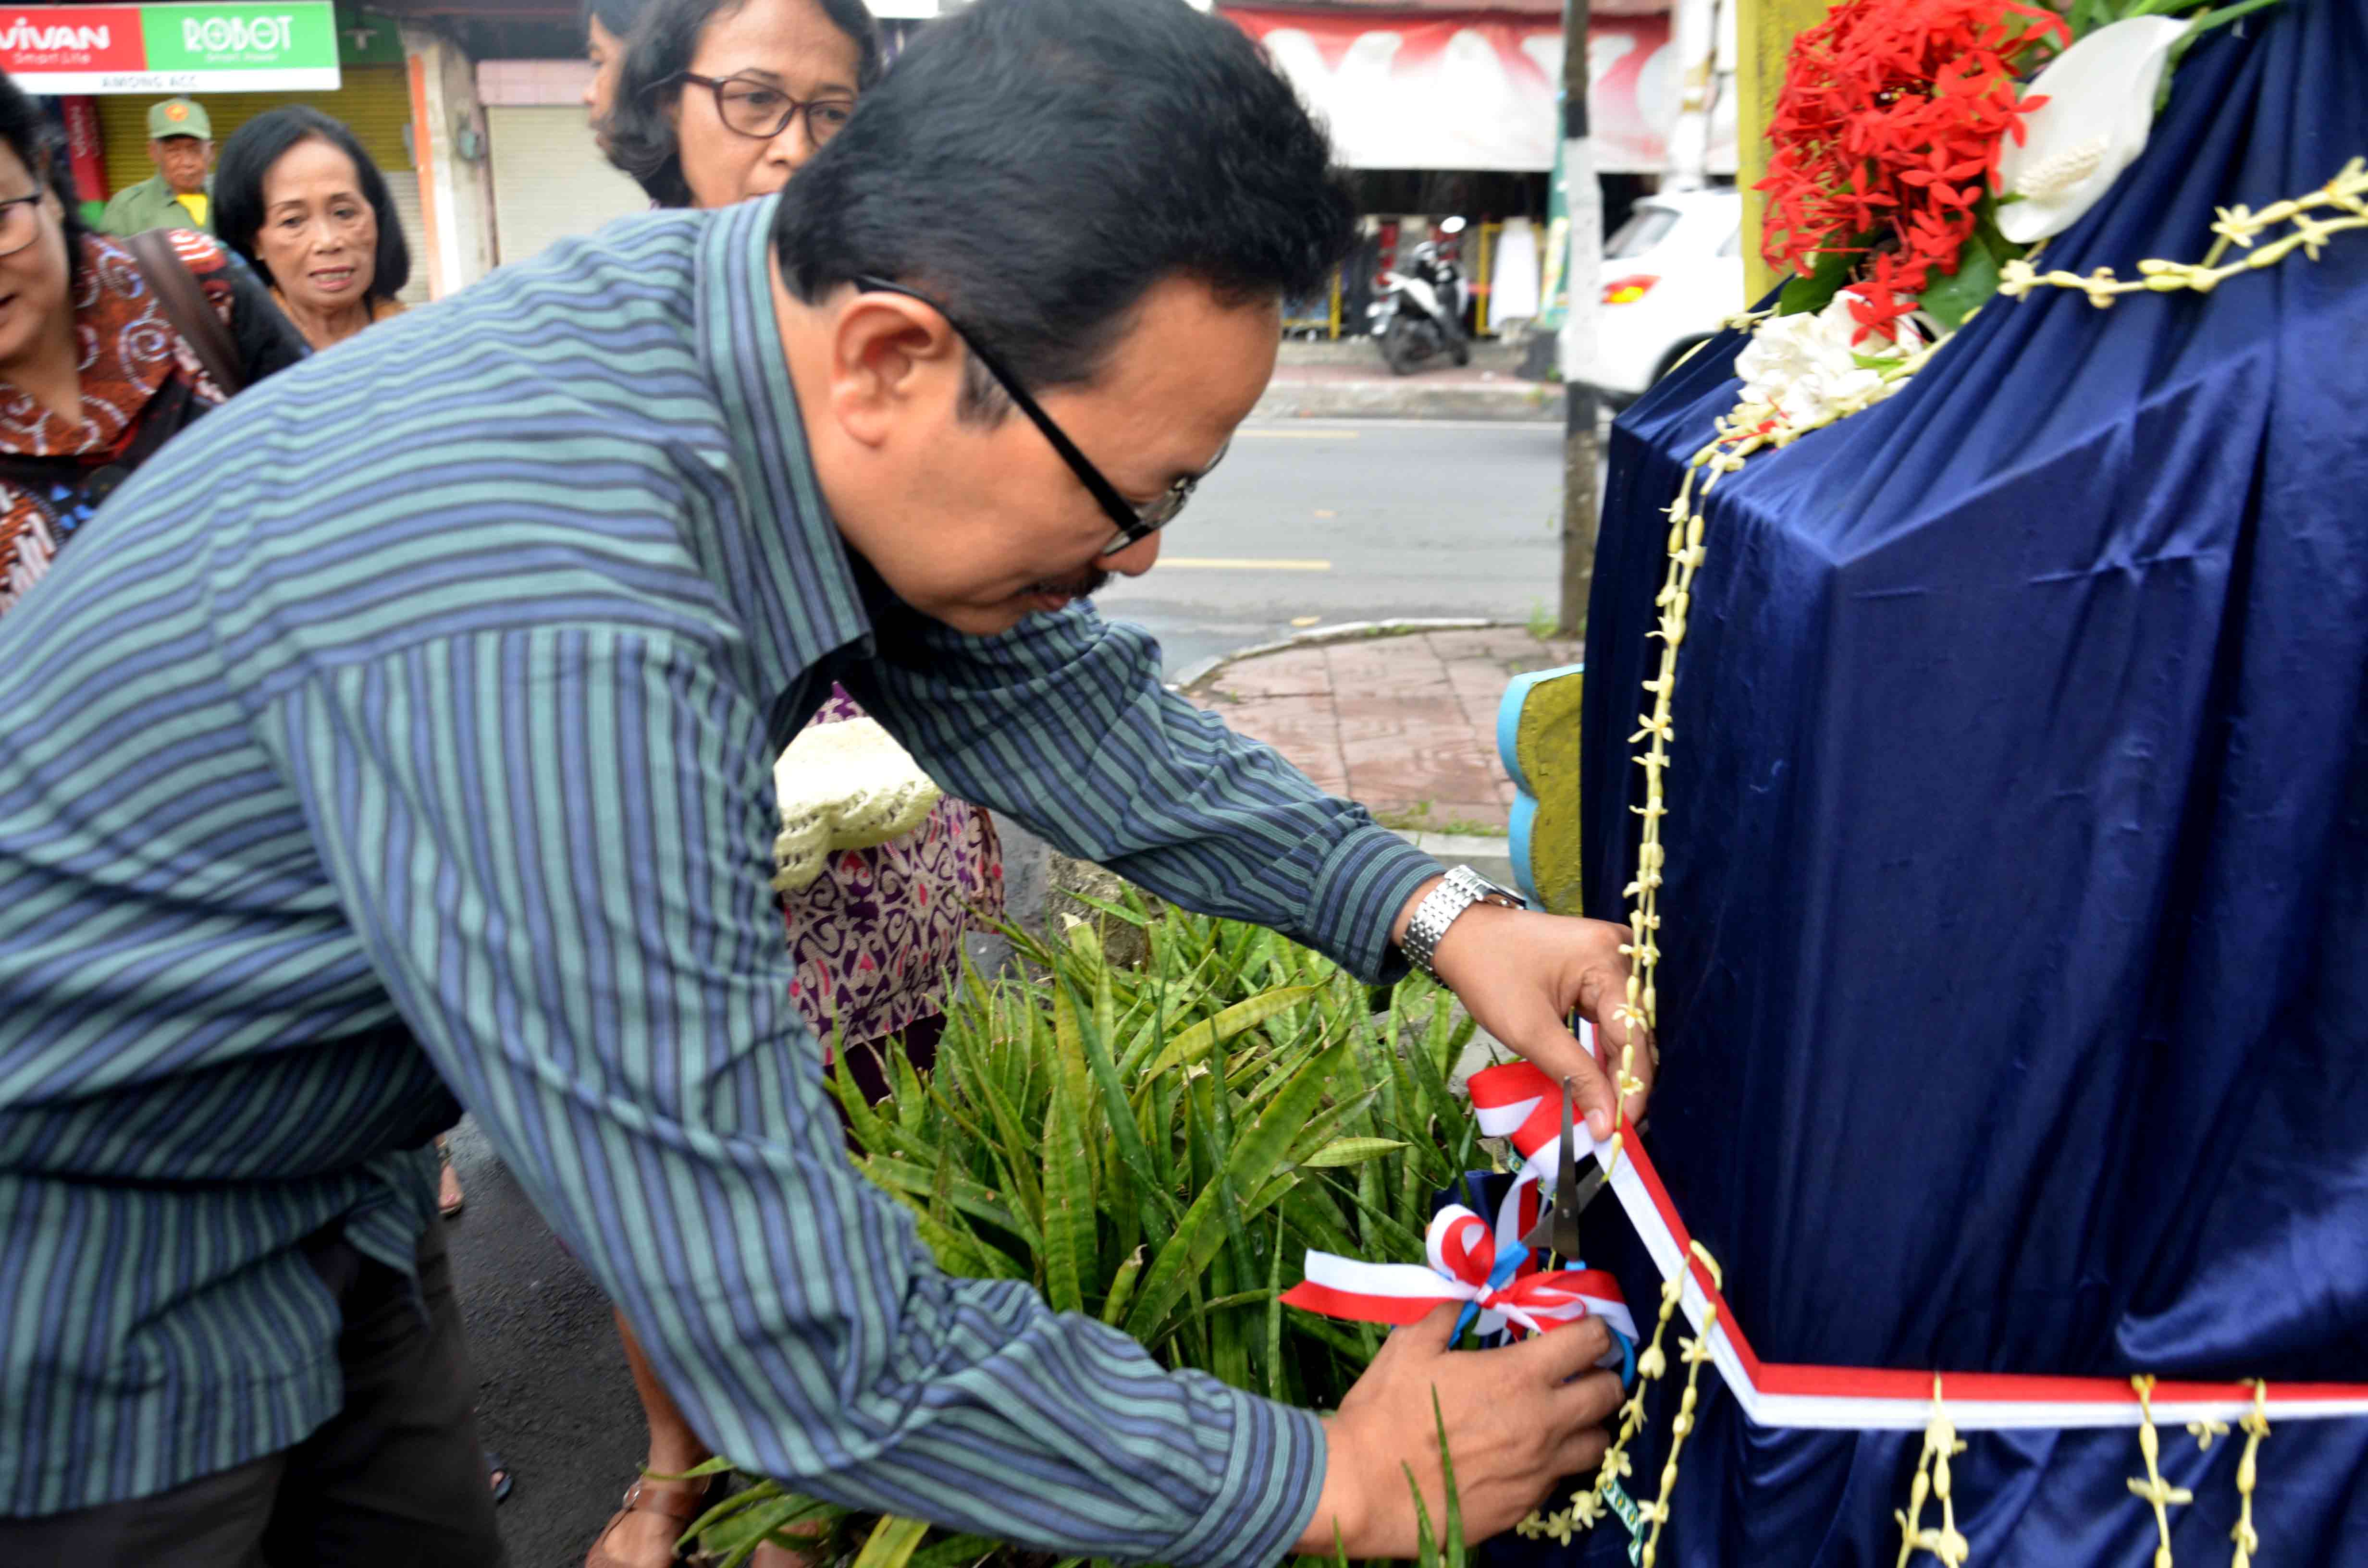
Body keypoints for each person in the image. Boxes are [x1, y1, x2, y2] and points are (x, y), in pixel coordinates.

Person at [0, 3, 1655, 1564]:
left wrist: (1436, 909)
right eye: (1131, 492)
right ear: (889, 356)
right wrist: (1336, 1475)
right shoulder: (556, 607)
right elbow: (784, 1331)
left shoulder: (753, 322)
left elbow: (1053, 695)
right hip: (88, 1246)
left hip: (327, 1185)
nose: (1140, 557)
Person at [586, 5, 998, 1561]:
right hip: (685, 855)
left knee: (879, 1144)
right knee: (670, 1162)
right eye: (754, 97)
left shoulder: (897, 332)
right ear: (655, 107)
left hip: (872, 834)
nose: (789, 143)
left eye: (834, 113)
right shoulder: (602, 352)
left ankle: (822, 1464)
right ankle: (674, 1464)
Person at [0, 76, 302, 617]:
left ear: (45, 184)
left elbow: (336, 466)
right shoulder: (131, 204)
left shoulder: (198, 283)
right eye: (171, 147)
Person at [214, 107, 412, 353]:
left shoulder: (428, 345)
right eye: (293, 221)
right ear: (254, 240)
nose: (328, 241)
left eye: (344, 213)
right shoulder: (229, 364)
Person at [98, 97, 216, 235]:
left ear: (212, 152)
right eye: (173, 151)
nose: (186, 162)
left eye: (195, 150)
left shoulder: (229, 198)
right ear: (153, 152)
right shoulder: (127, 208)